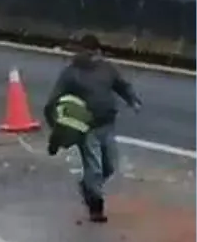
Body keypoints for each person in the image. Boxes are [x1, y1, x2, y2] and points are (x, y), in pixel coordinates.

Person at [43, 33, 142, 223]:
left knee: (110, 166)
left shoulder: (107, 68)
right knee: (94, 168)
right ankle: (96, 207)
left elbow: (121, 86)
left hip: (107, 125)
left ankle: (88, 187)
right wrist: (55, 125)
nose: (90, 57)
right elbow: (52, 101)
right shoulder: (71, 73)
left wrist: (132, 100)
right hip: (86, 128)